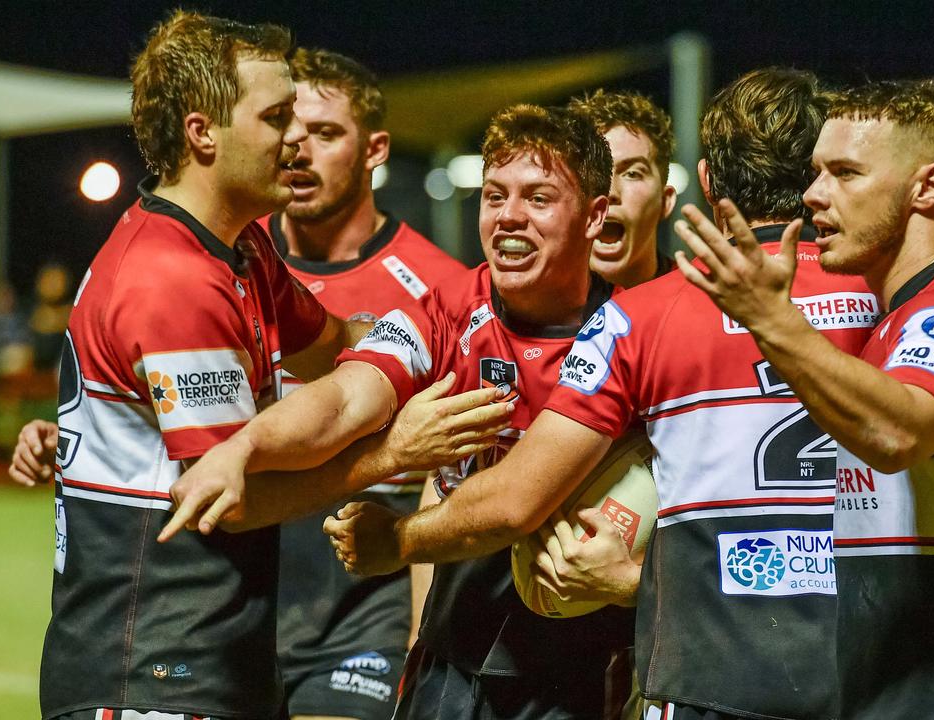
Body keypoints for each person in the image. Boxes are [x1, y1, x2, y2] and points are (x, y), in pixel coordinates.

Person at [325, 67, 876, 720]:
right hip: (478, 650)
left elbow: (517, 499)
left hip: (655, 661)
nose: (611, 195)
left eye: (632, 174)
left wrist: (629, 583)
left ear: (675, 194)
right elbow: (449, 480)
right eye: (596, 175)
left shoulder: (648, 319)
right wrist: (421, 627)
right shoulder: (487, 305)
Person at [28, 13, 499, 720]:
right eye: (277, 117)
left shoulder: (238, 246)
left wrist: (441, 340)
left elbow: (339, 342)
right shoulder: (170, 282)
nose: (295, 138)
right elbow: (234, 500)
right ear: (202, 132)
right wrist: (393, 454)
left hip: (216, 658)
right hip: (150, 671)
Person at [167, 104, 634, 719]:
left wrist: (398, 541)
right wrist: (242, 448)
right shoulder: (448, 309)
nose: (509, 217)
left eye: (538, 198)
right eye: (495, 196)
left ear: (595, 217)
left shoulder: (634, 333)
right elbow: (343, 398)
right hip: (452, 659)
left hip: (580, 675)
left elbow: (516, 505)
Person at [671, 80, 934, 718]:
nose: (812, 195)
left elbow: (901, 432)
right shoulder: (903, 316)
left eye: (846, 173)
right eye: (814, 173)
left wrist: (772, 321)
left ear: (928, 187)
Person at [265, 48, 465, 720]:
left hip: (361, 618)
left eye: (325, 134)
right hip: (234, 609)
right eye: (289, 131)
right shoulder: (232, 262)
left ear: (375, 148)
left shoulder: (438, 285)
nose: (300, 151)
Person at [569, 90, 677, 288]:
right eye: (593, 172)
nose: (610, 192)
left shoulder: (703, 304)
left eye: (632, 174)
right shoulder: (527, 308)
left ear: (665, 202)